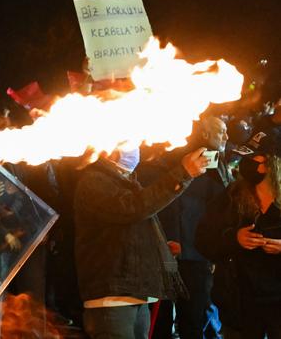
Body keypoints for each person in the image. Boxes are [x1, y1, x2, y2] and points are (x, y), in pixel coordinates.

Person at [74, 145, 209, 339]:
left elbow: (132, 224)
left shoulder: (126, 181)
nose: (135, 149)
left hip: (134, 295)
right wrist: (182, 174)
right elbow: (134, 208)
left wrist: (157, 247)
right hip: (111, 300)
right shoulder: (94, 181)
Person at [196, 130, 281, 339]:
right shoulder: (232, 197)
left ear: (273, 164)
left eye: (259, 157)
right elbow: (204, 239)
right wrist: (235, 238)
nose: (251, 161)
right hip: (240, 299)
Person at [156, 116, 232, 338]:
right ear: (206, 135)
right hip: (187, 252)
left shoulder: (214, 161)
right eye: (221, 132)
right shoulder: (203, 161)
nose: (226, 137)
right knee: (179, 318)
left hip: (190, 252)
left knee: (189, 318)